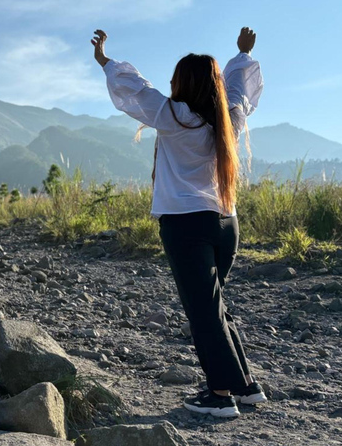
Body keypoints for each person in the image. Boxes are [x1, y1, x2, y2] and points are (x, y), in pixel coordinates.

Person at [91, 27, 265, 418]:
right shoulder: (230, 118)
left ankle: (220, 395)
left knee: (203, 311)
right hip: (226, 225)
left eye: (175, 81)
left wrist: (104, 59)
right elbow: (239, 87)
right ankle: (246, 386)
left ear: (183, 84)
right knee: (214, 304)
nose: (170, 86)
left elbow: (136, 88)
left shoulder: (173, 117)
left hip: (186, 225)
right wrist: (242, 54)